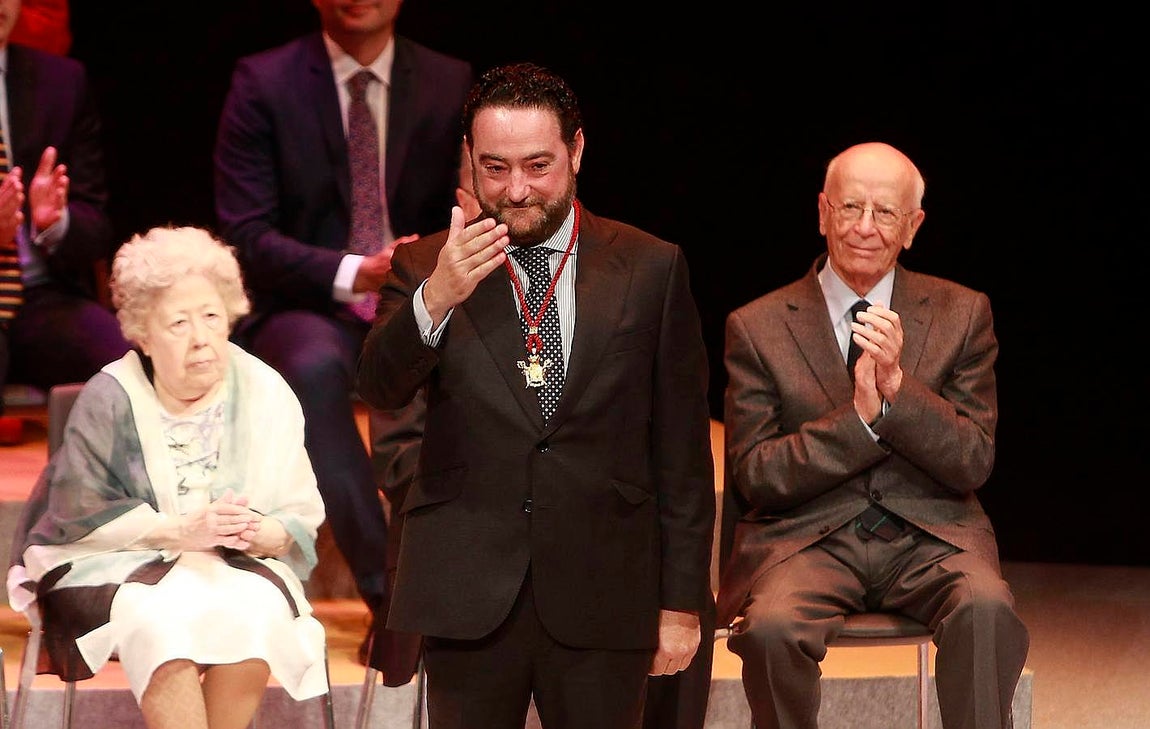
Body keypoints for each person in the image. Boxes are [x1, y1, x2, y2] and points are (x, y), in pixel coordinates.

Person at [356, 62, 716, 729]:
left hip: (605, 586)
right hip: (469, 590)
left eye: (537, 165)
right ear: (469, 159)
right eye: (494, 168)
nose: (516, 189)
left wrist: (682, 601)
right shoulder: (426, 264)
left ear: (577, 151)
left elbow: (683, 453)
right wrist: (436, 299)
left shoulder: (651, 268)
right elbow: (377, 384)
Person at [717, 141, 1030, 729]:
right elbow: (757, 475)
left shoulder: (962, 313)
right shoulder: (757, 326)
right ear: (821, 213)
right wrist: (859, 420)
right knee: (771, 629)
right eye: (850, 207)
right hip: (807, 539)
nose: (864, 227)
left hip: (929, 534)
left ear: (913, 226)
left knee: (987, 611)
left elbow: (971, 459)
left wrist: (897, 394)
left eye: (885, 213)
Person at [212, 0, 473, 662]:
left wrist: (419, 261)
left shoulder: (448, 79)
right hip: (307, 300)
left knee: (450, 369)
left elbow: (479, 202)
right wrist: (357, 270)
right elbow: (244, 233)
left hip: (420, 287)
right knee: (312, 370)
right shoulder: (264, 80)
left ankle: (457, 583)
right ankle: (390, 594)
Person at [6, 225, 329, 729]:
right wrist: (180, 532)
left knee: (259, 608)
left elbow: (295, 514)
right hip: (113, 561)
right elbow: (76, 513)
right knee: (159, 619)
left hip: (232, 564)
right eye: (178, 323)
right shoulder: (109, 396)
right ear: (144, 334)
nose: (201, 338)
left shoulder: (266, 391)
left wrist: (261, 531)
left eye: (211, 317)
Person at [0, 0, 131, 443]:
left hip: (42, 297)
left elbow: (96, 225)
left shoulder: (60, 81)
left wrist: (53, 224)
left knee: (129, 368)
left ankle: (119, 508)